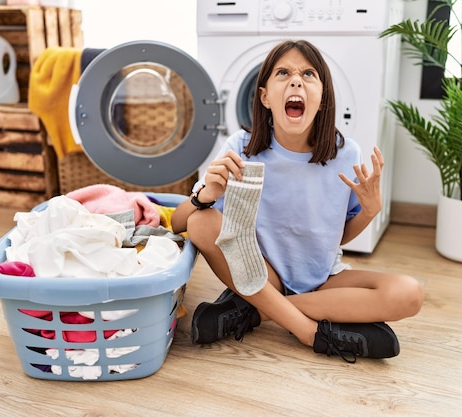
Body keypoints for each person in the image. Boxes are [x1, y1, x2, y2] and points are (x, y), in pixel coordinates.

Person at [171, 39, 424, 363]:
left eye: (308, 74)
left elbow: (338, 234)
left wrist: (370, 212)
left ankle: (257, 312)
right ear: (264, 96)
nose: (295, 80)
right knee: (201, 221)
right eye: (283, 73)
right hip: (261, 272)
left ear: (322, 98)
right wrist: (206, 195)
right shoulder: (241, 148)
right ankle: (309, 333)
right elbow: (179, 223)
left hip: (322, 280)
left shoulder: (347, 154)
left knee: (409, 293)